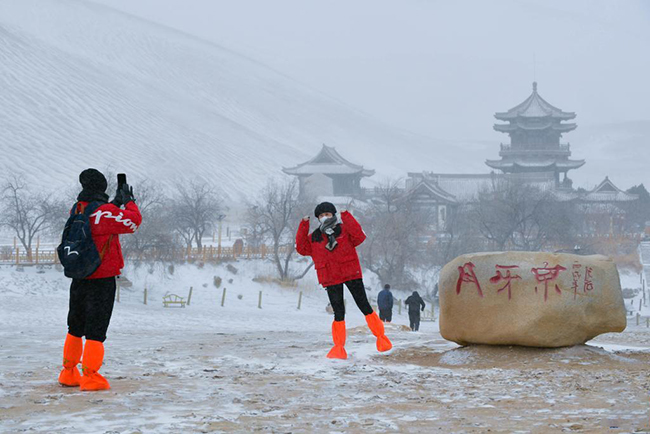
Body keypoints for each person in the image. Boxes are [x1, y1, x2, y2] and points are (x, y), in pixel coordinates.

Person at [58, 169, 142, 391]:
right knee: (96, 329)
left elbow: (102, 216)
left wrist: (115, 202)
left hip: (79, 275)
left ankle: (68, 372)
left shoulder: (77, 209)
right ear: (102, 187)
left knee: (75, 325)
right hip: (101, 277)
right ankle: (91, 376)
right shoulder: (103, 213)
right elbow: (133, 222)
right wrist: (129, 202)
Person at [296, 202, 392, 359]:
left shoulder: (344, 229)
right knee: (338, 312)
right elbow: (301, 248)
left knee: (364, 306)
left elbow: (359, 236)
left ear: (333, 214)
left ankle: (382, 339)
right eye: (320, 215)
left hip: (350, 273)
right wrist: (303, 225)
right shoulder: (314, 237)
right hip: (330, 276)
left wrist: (347, 216)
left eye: (327, 214)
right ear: (317, 218)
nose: (324, 217)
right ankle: (339, 348)